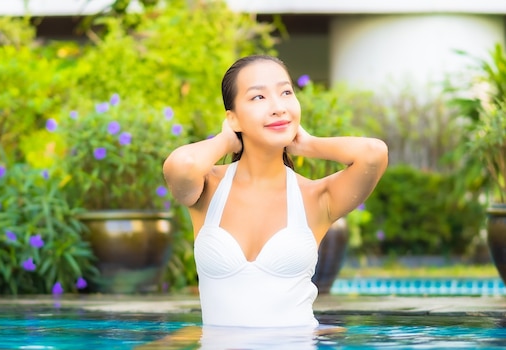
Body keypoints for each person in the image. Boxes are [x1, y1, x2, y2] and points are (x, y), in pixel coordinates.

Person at [163, 54, 388, 329]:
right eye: (259, 97)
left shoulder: (315, 197)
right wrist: (225, 140)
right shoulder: (208, 190)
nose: (278, 107)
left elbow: (374, 154)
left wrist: (308, 145)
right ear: (232, 118)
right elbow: (181, 165)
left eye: (285, 92)